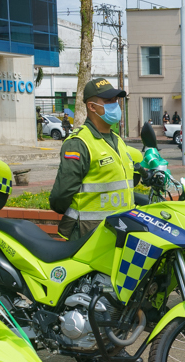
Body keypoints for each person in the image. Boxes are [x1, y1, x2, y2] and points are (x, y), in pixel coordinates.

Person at [48, 77, 135, 241]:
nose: (115, 105)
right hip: (88, 235)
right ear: (92, 107)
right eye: (109, 100)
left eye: (116, 100)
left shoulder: (117, 141)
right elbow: (60, 196)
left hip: (119, 232)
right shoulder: (79, 143)